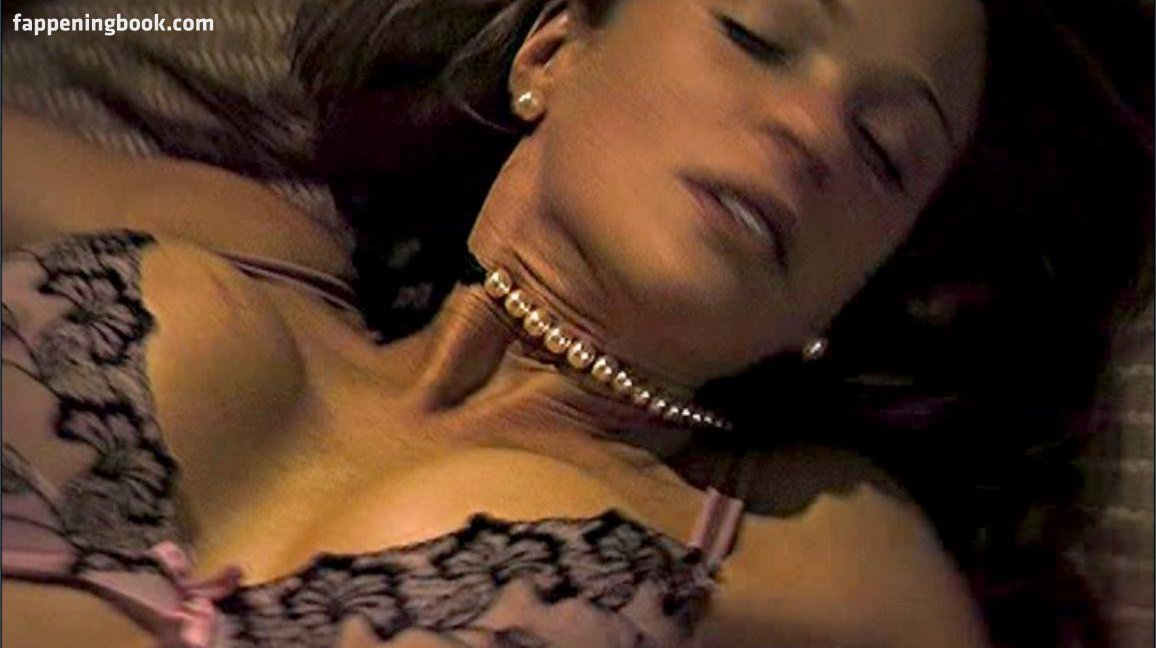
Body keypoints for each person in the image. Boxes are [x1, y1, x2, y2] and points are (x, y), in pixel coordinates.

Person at [0, 0, 1147, 646]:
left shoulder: (813, 544)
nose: (809, 130)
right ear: (553, 49)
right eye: (756, 33)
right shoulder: (234, 245)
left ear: (855, 285)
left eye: (884, 152)